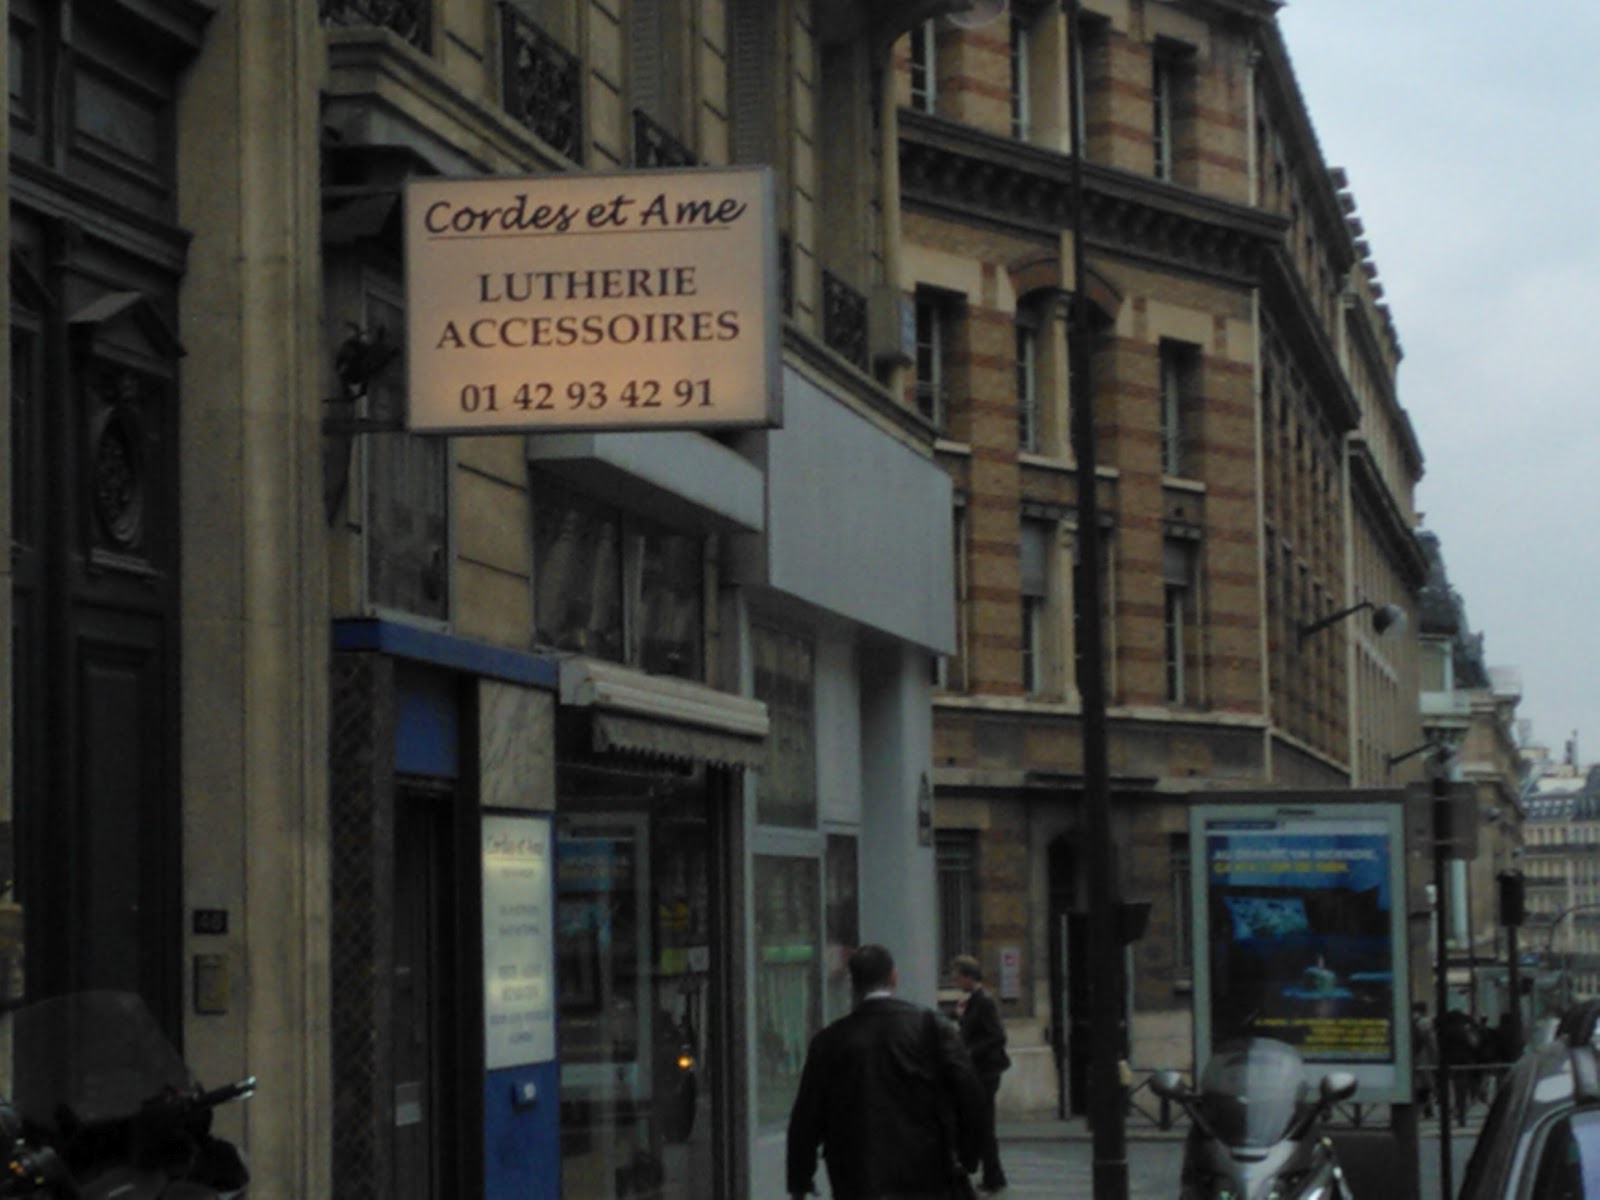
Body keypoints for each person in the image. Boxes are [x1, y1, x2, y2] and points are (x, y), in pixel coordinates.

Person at [787, 944, 986, 1200]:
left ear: (853, 983)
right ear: (893, 976)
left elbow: (807, 1116)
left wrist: (800, 1179)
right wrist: (967, 1157)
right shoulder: (931, 1027)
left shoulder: (829, 1041)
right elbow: (970, 1094)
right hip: (925, 1174)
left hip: (856, 1178)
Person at [952, 955, 1010, 1196]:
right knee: (981, 1126)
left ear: (967, 976)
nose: (955, 980)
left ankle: (993, 1177)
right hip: (981, 1072)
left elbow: (997, 1036)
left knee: (985, 1126)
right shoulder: (975, 1000)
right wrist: (960, 1018)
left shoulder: (984, 1001)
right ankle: (989, 1174)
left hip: (986, 1072)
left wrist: (971, 1052)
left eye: (957, 975)